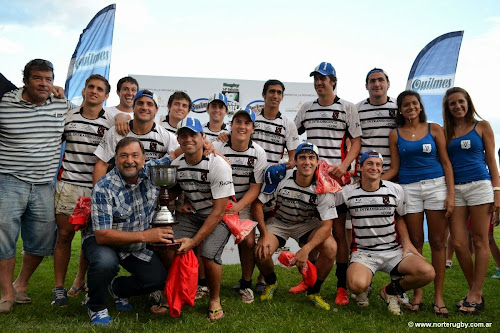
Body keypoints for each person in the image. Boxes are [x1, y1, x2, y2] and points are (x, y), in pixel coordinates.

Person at [0, 59, 74, 315]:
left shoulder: (62, 105)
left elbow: (92, 114)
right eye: (37, 78)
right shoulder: (5, 103)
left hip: (44, 184)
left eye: (48, 79)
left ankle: (20, 283)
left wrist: (120, 114)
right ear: (25, 80)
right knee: (4, 238)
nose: (44, 84)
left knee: (42, 241)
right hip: (9, 180)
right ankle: (7, 293)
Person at [82, 137, 173, 325]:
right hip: (103, 241)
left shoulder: (151, 172)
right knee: (105, 262)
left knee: (157, 279)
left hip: (133, 245)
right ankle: (96, 306)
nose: (129, 160)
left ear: (144, 158)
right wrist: (146, 236)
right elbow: (102, 235)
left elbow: (176, 154)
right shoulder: (103, 187)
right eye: (123, 156)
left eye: (135, 155)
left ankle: (117, 289)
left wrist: (209, 146)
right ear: (115, 159)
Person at [294, 62, 361, 306]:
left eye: (324, 78)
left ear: (334, 81)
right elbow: (293, 136)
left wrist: (344, 167)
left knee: (339, 234)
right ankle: (309, 280)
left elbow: (356, 143)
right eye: (316, 79)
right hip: (313, 182)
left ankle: (341, 287)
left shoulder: (347, 108)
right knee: (315, 232)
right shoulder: (307, 109)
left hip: (337, 182)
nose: (319, 82)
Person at [382, 90, 454, 317]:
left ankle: (439, 296)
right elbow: (394, 168)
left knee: (438, 242)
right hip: (408, 189)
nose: (410, 108)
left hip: (436, 186)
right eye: (405, 105)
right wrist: (373, 179)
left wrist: (451, 194)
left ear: (420, 107)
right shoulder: (395, 134)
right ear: (400, 110)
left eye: (414, 104)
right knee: (414, 242)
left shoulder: (434, 129)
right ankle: (417, 294)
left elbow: (446, 162)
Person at [345, 150, 435, 316]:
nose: (374, 168)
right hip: (364, 253)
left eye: (378, 165)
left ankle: (390, 292)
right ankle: (363, 289)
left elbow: (399, 218)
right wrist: (349, 253)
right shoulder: (348, 193)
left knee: (427, 272)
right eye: (369, 163)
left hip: (393, 250)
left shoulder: (395, 189)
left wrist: (406, 243)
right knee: (356, 285)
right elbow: (344, 225)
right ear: (360, 167)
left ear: (382, 168)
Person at [52, 74, 115, 306]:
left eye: (100, 89)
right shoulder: (68, 116)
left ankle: (80, 281)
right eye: (91, 87)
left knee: (91, 239)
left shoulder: (111, 121)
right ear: (84, 90)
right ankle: (58, 288)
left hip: (96, 189)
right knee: (65, 236)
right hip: (68, 185)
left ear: (106, 96)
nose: (94, 91)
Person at [164, 117, 234, 321]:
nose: (188, 139)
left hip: (220, 216)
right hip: (193, 215)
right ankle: (181, 289)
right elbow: (174, 190)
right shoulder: (176, 164)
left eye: (193, 135)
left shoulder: (218, 164)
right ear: (178, 139)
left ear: (203, 138)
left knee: (209, 254)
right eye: (183, 135)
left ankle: (214, 298)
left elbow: (219, 211)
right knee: (168, 244)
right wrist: (176, 203)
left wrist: (195, 242)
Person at [253, 142, 338, 310]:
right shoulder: (282, 177)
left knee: (331, 247)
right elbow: (257, 205)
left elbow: (327, 226)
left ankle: (314, 291)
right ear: (296, 161)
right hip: (280, 222)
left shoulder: (322, 185)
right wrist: (263, 235)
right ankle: (271, 283)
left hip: (306, 224)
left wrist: (305, 249)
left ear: (317, 162)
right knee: (260, 251)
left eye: (311, 158)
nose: (307, 162)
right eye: (303, 158)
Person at [442, 87, 500, 314]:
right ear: (448, 108)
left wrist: (497, 192)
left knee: (480, 240)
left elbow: (492, 162)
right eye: (452, 103)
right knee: (458, 243)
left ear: (468, 103)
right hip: (456, 189)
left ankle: (475, 294)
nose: (457, 106)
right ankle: (473, 291)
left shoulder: (482, 126)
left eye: (461, 102)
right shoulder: (446, 132)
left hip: (480, 187)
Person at [213, 107, 267, 303]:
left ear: (253, 128)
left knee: (249, 242)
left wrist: (238, 207)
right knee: (208, 238)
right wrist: (223, 204)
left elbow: (255, 188)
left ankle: (245, 284)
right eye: (238, 122)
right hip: (219, 201)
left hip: (243, 203)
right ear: (231, 125)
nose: (242, 127)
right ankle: (203, 283)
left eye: (247, 123)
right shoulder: (218, 147)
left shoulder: (258, 152)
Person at [93, 89, 179, 184]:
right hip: (119, 192)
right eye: (140, 103)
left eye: (149, 104)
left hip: (150, 193)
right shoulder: (116, 132)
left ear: (156, 110)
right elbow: (101, 165)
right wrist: (97, 194)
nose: (144, 107)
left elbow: (178, 155)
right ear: (133, 107)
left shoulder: (165, 136)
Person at [355, 68, 397, 173]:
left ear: (388, 84)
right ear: (366, 86)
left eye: (380, 80)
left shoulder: (399, 107)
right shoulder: (356, 109)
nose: (376, 84)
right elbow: (352, 142)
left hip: (392, 172)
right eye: (372, 81)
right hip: (365, 172)